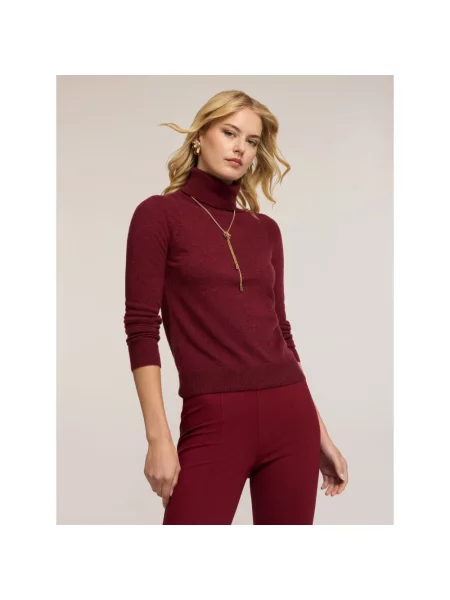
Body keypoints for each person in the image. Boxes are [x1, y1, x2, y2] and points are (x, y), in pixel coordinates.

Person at [123, 89, 348, 525]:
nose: (240, 147)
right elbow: (141, 327)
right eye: (229, 133)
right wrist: (158, 438)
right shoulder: (159, 215)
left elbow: (280, 333)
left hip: (291, 416)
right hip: (213, 417)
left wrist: (320, 433)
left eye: (251, 140)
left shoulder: (265, 230)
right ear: (199, 136)